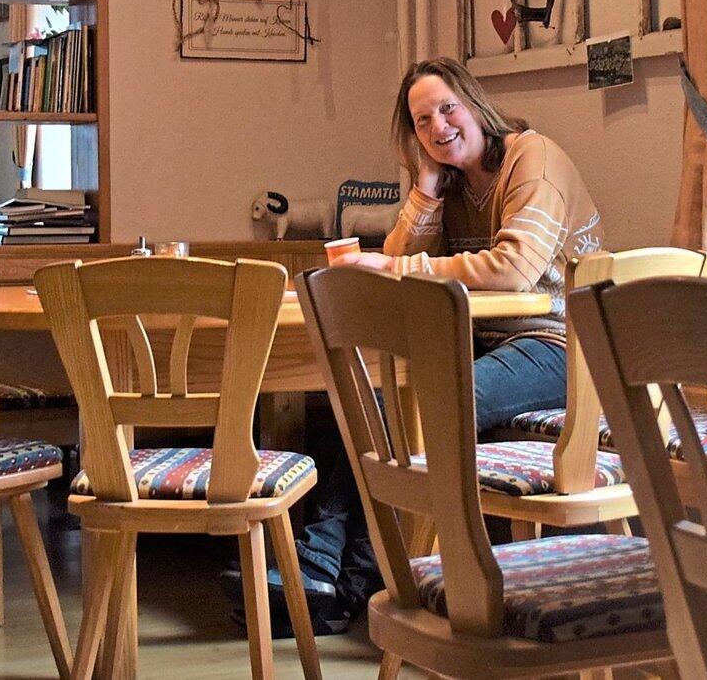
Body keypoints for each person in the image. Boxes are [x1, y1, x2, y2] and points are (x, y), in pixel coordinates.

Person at [237, 56, 605, 634]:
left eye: (447, 109)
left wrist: (398, 264)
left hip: (563, 344)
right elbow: (399, 258)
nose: (438, 127)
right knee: (370, 403)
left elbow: (512, 269)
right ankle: (334, 573)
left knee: (414, 408)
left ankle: (334, 574)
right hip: (482, 342)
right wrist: (426, 190)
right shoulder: (450, 181)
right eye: (422, 120)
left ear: (475, 105)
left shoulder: (534, 157)